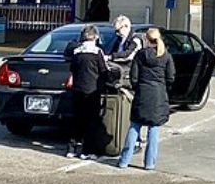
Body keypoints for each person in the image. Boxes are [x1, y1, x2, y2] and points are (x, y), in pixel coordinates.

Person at [116, 28, 175, 171]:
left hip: (142, 92)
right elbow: (171, 77)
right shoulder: (166, 56)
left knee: (135, 125)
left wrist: (137, 88)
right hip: (158, 94)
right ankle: (149, 163)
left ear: (146, 39)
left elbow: (134, 76)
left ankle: (124, 160)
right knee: (153, 128)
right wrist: (164, 88)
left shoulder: (141, 55)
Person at [65, 24, 108, 159]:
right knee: (92, 121)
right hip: (92, 91)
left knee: (77, 119)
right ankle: (87, 151)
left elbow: (73, 68)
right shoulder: (97, 52)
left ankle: (71, 148)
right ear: (95, 37)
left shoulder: (77, 52)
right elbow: (104, 71)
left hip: (77, 89)